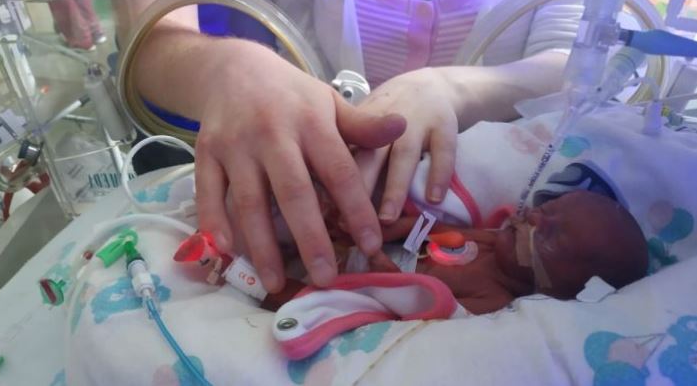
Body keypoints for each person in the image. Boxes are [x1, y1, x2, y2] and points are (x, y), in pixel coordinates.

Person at [121, 0, 584, 293]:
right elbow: (150, 33)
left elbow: (586, 65)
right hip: (301, 174)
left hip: (477, 180)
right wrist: (226, 70)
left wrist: (455, 88)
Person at [261, 190, 650, 315]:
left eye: (552, 234)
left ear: (562, 289)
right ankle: (273, 225)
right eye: (546, 209)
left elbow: (419, 312)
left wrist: (383, 271)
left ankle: (250, 281)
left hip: (369, 294)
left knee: (302, 301)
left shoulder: (493, 299)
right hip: (373, 251)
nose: (531, 216)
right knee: (328, 218)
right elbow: (441, 232)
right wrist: (397, 227)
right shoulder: (491, 241)